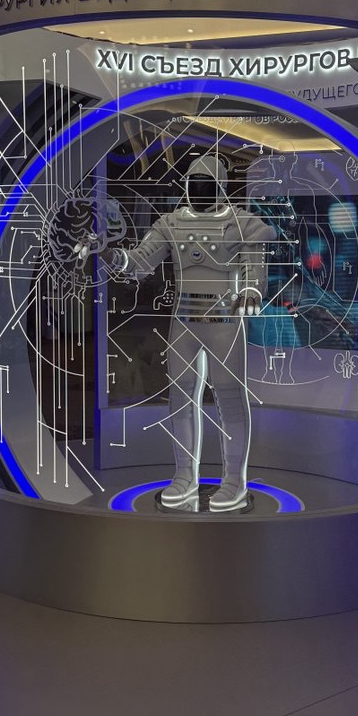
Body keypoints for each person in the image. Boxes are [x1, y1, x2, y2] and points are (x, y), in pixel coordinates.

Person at [79, 155, 275, 512]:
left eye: (206, 185)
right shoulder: (171, 224)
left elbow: (254, 267)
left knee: (230, 399)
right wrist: (105, 252)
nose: (199, 190)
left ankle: (234, 481)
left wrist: (251, 291)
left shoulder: (242, 223)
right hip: (184, 321)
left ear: (219, 187)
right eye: (193, 184)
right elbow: (139, 262)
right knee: (181, 399)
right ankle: (185, 476)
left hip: (224, 321)